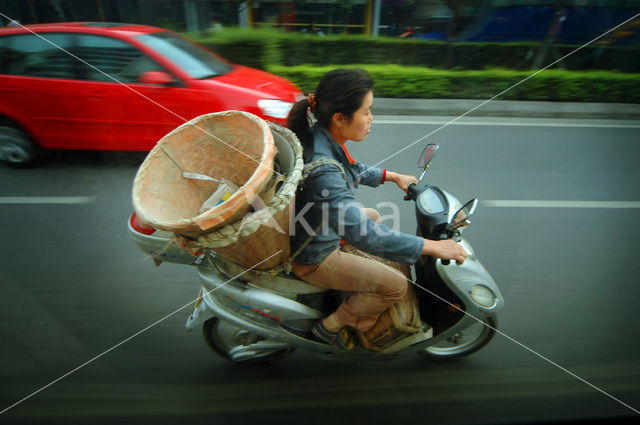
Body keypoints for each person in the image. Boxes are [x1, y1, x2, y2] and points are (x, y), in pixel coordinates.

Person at [286, 68, 467, 351]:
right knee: (396, 285)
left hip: (312, 228)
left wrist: (393, 177)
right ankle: (329, 327)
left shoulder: (321, 138)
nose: (372, 119)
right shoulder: (325, 171)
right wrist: (434, 247)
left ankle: (348, 294)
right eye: (367, 111)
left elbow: (353, 169)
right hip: (314, 255)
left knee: (373, 215)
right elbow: (366, 235)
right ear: (340, 118)